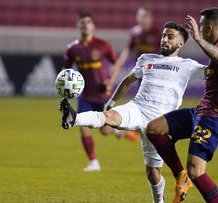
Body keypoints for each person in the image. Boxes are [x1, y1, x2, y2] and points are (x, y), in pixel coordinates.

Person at [59, 21, 206, 203]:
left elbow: (213, 72)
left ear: (180, 43)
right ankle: (73, 119)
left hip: (160, 123)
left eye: (170, 37)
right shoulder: (146, 59)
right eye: (163, 36)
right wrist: (111, 102)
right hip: (137, 108)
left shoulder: (188, 65)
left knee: (153, 173)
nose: (164, 40)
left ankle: (158, 201)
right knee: (108, 117)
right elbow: (128, 81)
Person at [147, 8, 218, 203]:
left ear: (208, 27)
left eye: (200, 26)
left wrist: (198, 39)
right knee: (154, 129)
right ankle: (181, 177)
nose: (198, 29)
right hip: (201, 111)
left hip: (214, 116)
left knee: (196, 170)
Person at [62, 11, 138, 172]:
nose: (85, 25)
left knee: (105, 130)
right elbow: (66, 71)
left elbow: (116, 64)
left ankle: (118, 131)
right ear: (78, 26)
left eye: (88, 22)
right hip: (85, 95)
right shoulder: (72, 49)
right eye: (82, 23)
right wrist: (66, 86)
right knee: (83, 126)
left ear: (93, 26)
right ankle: (93, 162)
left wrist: (111, 80)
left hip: (103, 94)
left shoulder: (102, 45)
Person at [117, 7, 161, 73]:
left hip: (154, 68)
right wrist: (120, 62)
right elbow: (129, 49)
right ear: (137, 17)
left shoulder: (157, 33)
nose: (144, 19)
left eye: (146, 16)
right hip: (140, 67)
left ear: (151, 18)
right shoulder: (134, 33)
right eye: (141, 16)